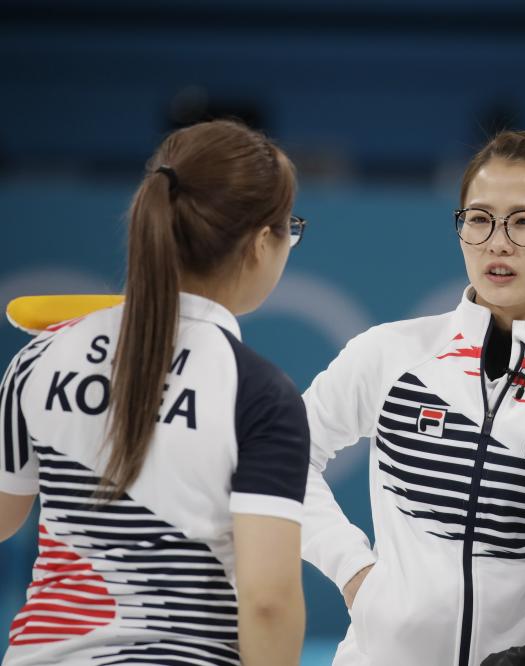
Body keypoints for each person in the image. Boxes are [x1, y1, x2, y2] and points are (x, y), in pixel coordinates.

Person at [300, 130, 525, 666]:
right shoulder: (391, 354)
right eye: (478, 219)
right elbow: (281, 457)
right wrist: (354, 571)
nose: (498, 242)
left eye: (524, 221)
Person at [0, 120, 311, 666]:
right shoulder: (260, 394)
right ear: (264, 242)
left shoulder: (36, 360)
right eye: (292, 228)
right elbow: (268, 602)